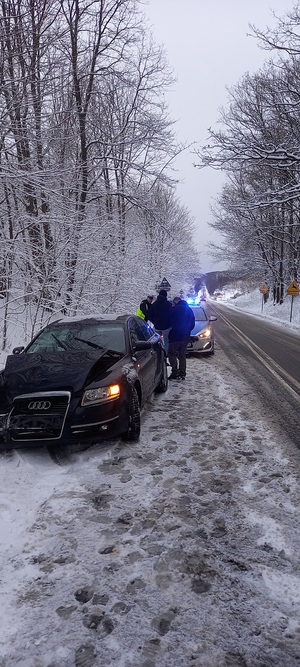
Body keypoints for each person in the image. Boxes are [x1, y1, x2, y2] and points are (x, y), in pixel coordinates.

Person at [168, 297, 195, 380]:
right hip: (185, 336)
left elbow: (168, 321)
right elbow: (192, 323)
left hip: (175, 336)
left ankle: (175, 371)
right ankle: (182, 373)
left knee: (171, 353)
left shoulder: (174, 309)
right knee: (182, 355)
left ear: (176, 302)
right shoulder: (189, 310)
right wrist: (187, 330)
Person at [148, 289, 172, 354]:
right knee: (167, 342)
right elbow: (172, 315)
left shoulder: (154, 305)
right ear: (165, 296)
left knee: (157, 342)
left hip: (157, 327)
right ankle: (166, 355)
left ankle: (158, 354)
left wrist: (154, 322)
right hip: (166, 327)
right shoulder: (169, 305)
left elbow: (150, 315)